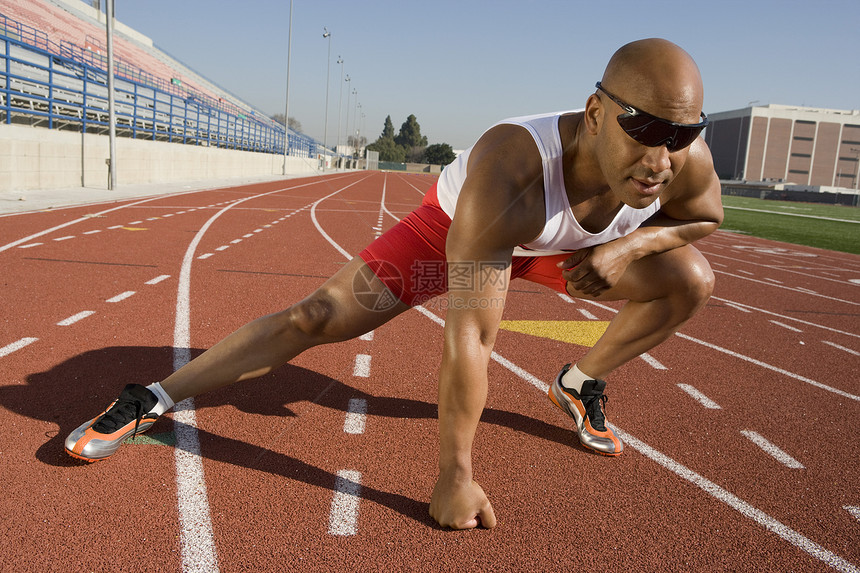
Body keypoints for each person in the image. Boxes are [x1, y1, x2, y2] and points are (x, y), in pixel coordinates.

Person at [65, 38, 723, 530]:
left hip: (565, 251)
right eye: (643, 129)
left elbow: (705, 215)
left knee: (690, 280)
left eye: (682, 134)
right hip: (454, 241)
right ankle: (151, 395)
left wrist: (632, 245)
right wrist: (454, 478)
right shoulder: (512, 169)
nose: (660, 157)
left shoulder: (680, 161)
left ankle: (579, 383)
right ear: (597, 113)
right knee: (316, 317)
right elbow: (472, 339)